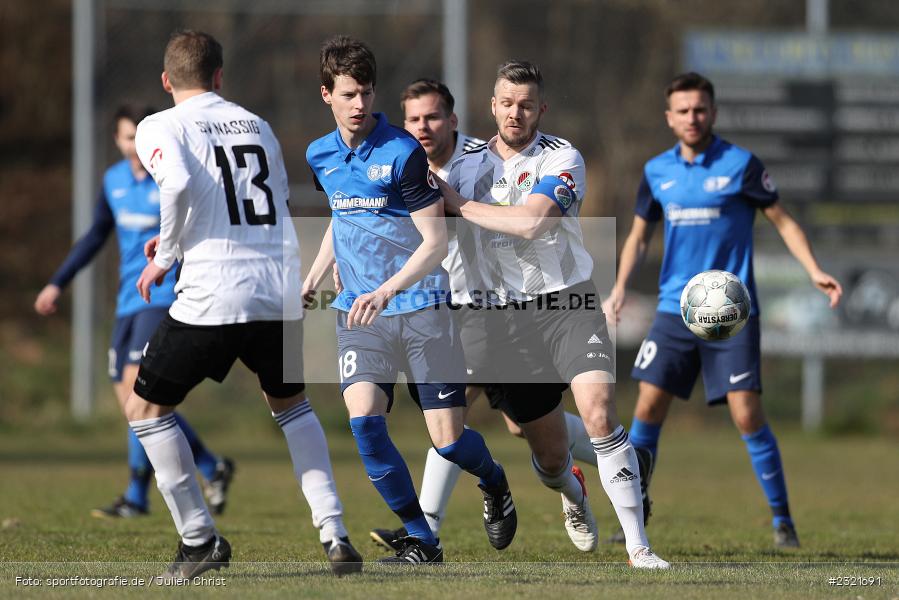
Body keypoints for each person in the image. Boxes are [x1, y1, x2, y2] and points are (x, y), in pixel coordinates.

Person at [124, 30, 362, 579]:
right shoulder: (257, 124)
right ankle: (334, 532)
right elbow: (269, 205)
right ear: (220, 76)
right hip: (276, 287)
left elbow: (178, 181)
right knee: (291, 406)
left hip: (215, 291)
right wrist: (182, 237)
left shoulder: (159, 125)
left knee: (146, 410)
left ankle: (198, 538)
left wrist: (167, 255)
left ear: (166, 81)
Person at [439, 60, 669, 568]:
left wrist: (456, 202)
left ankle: (639, 548)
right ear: (492, 106)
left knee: (601, 413)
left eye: (526, 104)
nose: (516, 113)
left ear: (540, 108)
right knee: (540, 449)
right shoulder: (464, 163)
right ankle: (571, 490)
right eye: (507, 103)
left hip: (568, 302)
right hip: (503, 316)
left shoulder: (562, 157)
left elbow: (532, 223)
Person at [602, 71, 843, 548]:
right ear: (669, 118)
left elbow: (784, 221)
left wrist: (813, 268)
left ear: (712, 112)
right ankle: (637, 513)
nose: (693, 117)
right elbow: (639, 236)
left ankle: (783, 521)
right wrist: (621, 286)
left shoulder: (741, 165)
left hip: (731, 315)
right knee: (647, 406)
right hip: (675, 309)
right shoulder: (656, 172)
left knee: (746, 414)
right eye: (683, 110)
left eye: (700, 109)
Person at [303, 36, 516, 565]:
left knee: (447, 440)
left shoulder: (401, 154)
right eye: (349, 94)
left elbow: (436, 243)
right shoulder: (319, 154)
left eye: (367, 93)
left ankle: (495, 481)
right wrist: (313, 275)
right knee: (364, 422)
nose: (359, 105)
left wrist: (385, 290)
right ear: (326, 93)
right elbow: (342, 216)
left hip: (420, 306)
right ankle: (423, 537)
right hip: (361, 314)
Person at [369, 78, 597, 554]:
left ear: (453, 120)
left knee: (457, 412)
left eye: (433, 117)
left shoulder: (479, 163)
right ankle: (608, 462)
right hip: (443, 306)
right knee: (516, 426)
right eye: (413, 119)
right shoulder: (398, 163)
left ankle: (427, 527)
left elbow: (525, 221)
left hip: (493, 310)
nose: (422, 128)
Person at [34, 104, 234, 520]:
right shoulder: (113, 181)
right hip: (127, 302)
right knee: (135, 403)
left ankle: (136, 495)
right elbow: (94, 236)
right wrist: (58, 281)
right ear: (117, 140)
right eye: (127, 138)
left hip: (159, 299)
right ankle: (211, 465)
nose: (134, 147)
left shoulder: (171, 180)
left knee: (135, 394)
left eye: (138, 139)